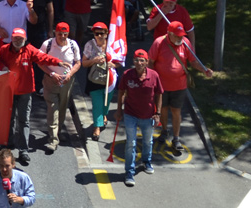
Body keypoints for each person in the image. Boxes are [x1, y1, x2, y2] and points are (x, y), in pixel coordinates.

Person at [0, 28, 60, 166]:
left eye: (21, 38)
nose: (18, 40)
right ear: (11, 38)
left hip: (25, 92)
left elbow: (43, 58)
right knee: (9, 119)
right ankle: (8, 144)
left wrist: (58, 62)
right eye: (16, 38)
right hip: (9, 92)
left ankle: (23, 150)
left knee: (24, 121)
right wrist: (2, 66)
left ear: (25, 40)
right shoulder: (4, 49)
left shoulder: (29, 50)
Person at [148, 20, 212, 154]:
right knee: (163, 109)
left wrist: (204, 70)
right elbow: (151, 62)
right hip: (162, 86)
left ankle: (176, 138)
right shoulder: (159, 43)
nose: (180, 38)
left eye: (181, 35)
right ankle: (164, 131)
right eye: (177, 35)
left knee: (176, 111)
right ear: (169, 34)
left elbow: (193, 61)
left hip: (179, 85)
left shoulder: (185, 43)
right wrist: (152, 80)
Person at [115, 49, 163, 187]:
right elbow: (121, 92)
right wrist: (119, 110)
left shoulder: (154, 75)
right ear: (133, 61)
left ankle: (146, 161)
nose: (139, 62)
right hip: (130, 114)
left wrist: (158, 113)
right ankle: (129, 172)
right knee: (131, 143)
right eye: (136, 60)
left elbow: (159, 94)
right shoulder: (127, 75)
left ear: (147, 62)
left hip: (148, 115)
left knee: (148, 141)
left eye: (142, 60)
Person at [37, 22, 80, 152]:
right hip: (51, 81)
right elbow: (39, 61)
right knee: (53, 108)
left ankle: (57, 131)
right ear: (55, 33)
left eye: (65, 34)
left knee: (62, 107)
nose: (62, 37)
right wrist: (51, 73)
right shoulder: (47, 44)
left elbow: (78, 62)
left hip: (67, 82)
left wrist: (70, 74)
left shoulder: (73, 45)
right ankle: (53, 139)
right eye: (60, 34)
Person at [81, 22, 114, 140]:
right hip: (94, 79)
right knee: (97, 104)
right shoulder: (89, 45)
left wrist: (113, 65)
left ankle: (104, 115)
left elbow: (120, 62)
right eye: (96, 33)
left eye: (102, 33)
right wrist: (94, 60)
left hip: (109, 79)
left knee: (107, 101)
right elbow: (83, 63)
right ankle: (97, 127)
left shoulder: (112, 44)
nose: (99, 36)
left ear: (107, 33)